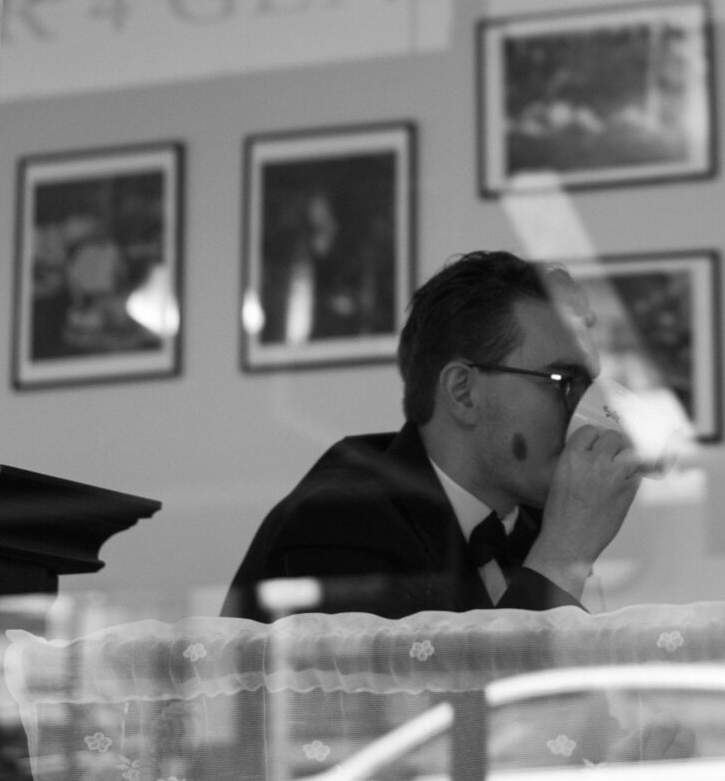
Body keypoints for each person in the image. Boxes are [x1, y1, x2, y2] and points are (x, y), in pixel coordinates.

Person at [224, 249, 641, 618]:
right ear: (463, 392)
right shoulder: (336, 523)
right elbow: (447, 706)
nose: (587, 413)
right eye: (563, 380)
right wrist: (565, 556)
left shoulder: (527, 523)